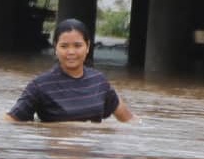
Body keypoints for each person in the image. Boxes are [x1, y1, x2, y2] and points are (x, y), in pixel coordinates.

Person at [7, 18, 135, 123]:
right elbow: (11, 120)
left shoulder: (99, 82)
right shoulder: (40, 85)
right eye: (64, 46)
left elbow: (130, 122)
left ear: (88, 47)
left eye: (78, 45)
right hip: (57, 151)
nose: (71, 52)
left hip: (91, 153)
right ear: (55, 48)